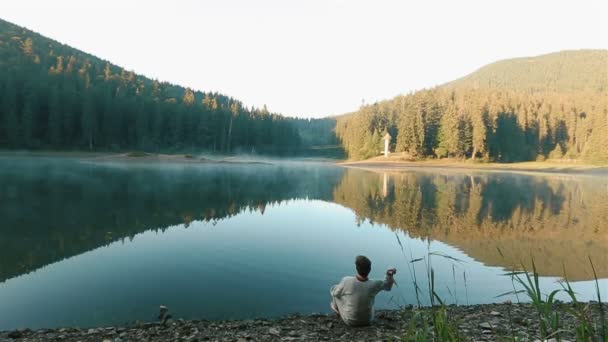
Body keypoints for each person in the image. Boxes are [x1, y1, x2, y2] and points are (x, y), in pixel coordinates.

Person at [330, 255, 396, 326]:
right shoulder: (374, 284)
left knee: (335, 292)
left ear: (356, 268)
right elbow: (388, 287)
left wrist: (336, 291)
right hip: (368, 320)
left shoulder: (347, 281)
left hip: (350, 321)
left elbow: (335, 294)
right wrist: (389, 275)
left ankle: (337, 313)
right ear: (370, 269)